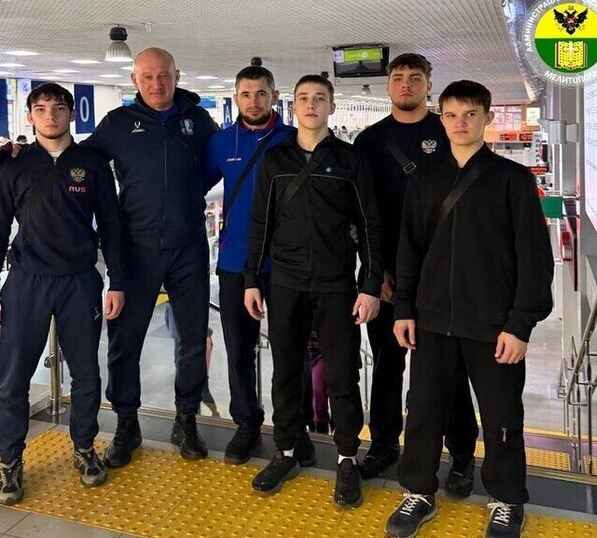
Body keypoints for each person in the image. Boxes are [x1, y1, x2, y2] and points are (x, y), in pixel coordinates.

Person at [0, 48, 218, 466]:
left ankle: (186, 419)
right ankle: (127, 422)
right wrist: (16, 151)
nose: (156, 84)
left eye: (163, 75)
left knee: (192, 339)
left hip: (188, 247)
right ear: (134, 80)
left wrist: (186, 195)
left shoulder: (199, 121)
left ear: (176, 75)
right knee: (124, 342)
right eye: (147, 76)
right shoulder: (118, 123)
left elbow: (219, 164)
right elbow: (73, 156)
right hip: (136, 248)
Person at [384, 80, 554, 538]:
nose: (460, 123)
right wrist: (404, 309)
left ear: (487, 118)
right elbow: (409, 251)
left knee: (501, 415)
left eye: (470, 114)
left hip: (493, 324)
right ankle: (419, 491)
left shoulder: (512, 180)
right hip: (433, 320)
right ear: (441, 120)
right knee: (423, 410)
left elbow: (534, 257)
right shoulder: (425, 179)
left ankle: (507, 498)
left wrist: (520, 324)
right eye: (452, 114)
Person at [0, 82, 127, 506]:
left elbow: (111, 226)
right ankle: (10, 462)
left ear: (71, 114)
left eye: (58, 108)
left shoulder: (92, 164)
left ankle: (84, 448)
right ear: (30, 116)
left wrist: (116, 281)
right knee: (13, 378)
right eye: (41, 109)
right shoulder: (14, 165)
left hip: (79, 281)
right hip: (27, 282)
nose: (50, 116)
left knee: (87, 373)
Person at [244, 75, 382, 508]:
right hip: (285, 282)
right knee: (286, 371)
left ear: (331, 106)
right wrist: (251, 279)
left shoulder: (350, 160)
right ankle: (286, 451)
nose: (311, 105)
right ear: (293, 105)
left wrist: (370, 285)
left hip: (336, 283)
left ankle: (346, 458)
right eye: (303, 98)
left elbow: (371, 226)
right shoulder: (275, 160)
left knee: (342, 374)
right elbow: (260, 223)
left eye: (319, 98)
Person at [353, 53, 479, 493]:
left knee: (450, 371)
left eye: (415, 77)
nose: (405, 84)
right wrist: (376, 275)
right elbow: (361, 215)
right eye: (398, 77)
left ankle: (461, 454)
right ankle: (384, 443)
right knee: (386, 368)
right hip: (389, 279)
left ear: (428, 84)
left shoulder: (447, 134)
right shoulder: (369, 142)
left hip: (443, 277)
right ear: (388, 85)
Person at [203, 65, 303, 465]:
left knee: (290, 350)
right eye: (245, 94)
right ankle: (246, 422)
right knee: (238, 349)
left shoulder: (294, 139)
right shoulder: (220, 143)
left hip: (287, 264)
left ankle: (292, 427)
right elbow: (191, 187)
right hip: (235, 262)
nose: (253, 101)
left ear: (274, 96)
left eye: (261, 93)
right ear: (236, 97)